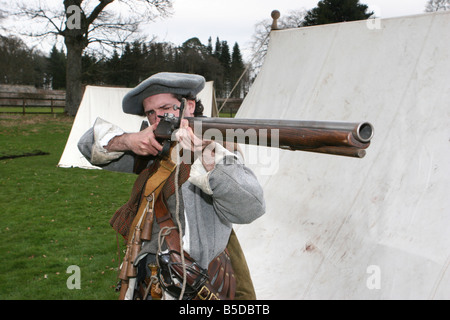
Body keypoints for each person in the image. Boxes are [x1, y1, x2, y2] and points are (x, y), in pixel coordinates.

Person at [78, 72, 265, 300]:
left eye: (166, 108)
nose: (158, 119)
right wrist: (128, 141)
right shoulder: (152, 147)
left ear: (189, 106)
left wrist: (206, 157)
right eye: (151, 113)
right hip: (150, 277)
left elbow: (251, 207)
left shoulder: (218, 146)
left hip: (196, 282)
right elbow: (87, 144)